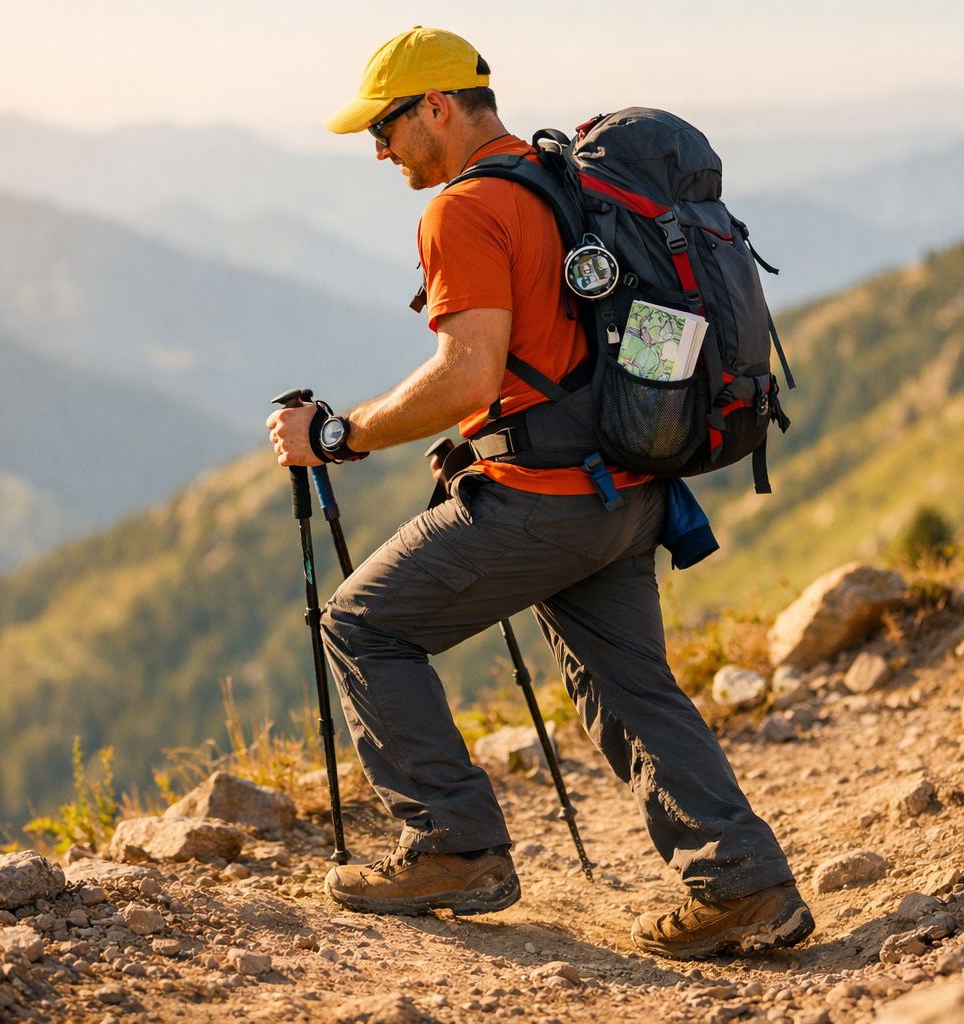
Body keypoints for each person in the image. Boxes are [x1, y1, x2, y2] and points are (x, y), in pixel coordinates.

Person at [265, 25, 813, 960]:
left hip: (543, 499)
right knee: (631, 686)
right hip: (632, 485)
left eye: (386, 126)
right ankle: (743, 886)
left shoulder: (464, 210)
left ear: (436, 106)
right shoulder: (565, 178)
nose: (378, 148)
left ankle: (454, 846)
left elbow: (467, 378)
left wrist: (338, 432)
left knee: (362, 626)